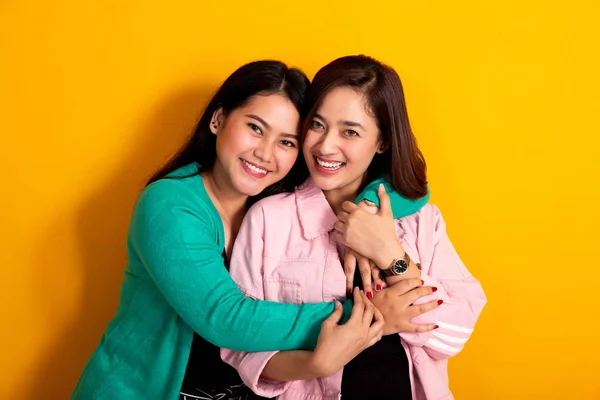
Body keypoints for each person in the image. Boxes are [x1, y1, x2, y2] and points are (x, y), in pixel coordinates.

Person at [71, 60, 438, 400]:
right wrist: (367, 315)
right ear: (217, 120)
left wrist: (366, 212)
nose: (265, 152)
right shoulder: (169, 204)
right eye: (255, 128)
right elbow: (226, 317)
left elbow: (407, 188)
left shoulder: (273, 193)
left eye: (286, 141)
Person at [222, 55, 487, 400]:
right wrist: (319, 361)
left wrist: (388, 252)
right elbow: (241, 352)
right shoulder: (268, 220)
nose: (325, 145)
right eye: (317, 125)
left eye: (349, 131)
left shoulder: (420, 220)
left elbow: (454, 334)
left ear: (382, 142)